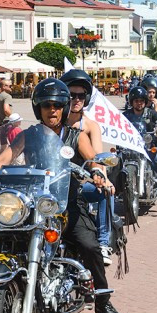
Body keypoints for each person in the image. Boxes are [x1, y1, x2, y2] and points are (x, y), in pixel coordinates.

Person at [0, 78, 124, 313]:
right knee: (1, 235)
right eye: (47, 105)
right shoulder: (28, 136)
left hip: (65, 203)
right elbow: (4, 157)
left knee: (89, 245)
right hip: (33, 203)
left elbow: (93, 160)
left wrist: (99, 173)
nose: (53, 110)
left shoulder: (75, 135)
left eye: (58, 105)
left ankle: (104, 301)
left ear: (64, 107)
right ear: (39, 108)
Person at [61, 69, 118, 263]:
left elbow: (98, 158)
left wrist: (102, 177)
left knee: (104, 192)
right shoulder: (53, 122)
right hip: (54, 182)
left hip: (81, 181)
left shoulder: (91, 126)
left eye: (81, 95)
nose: (76, 99)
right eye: (71, 95)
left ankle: (103, 242)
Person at [0, 79, 14, 150]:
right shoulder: (7, 96)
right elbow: (6, 109)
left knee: (3, 144)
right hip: (6, 122)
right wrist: (14, 117)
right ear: (4, 86)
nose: (11, 87)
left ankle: (1, 160)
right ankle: (6, 160)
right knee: (13, 144)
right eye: (10, 86)